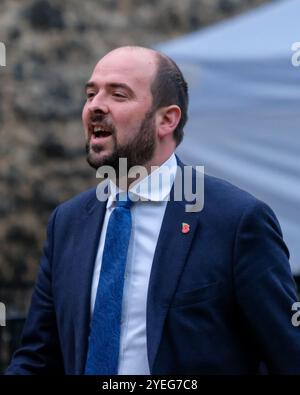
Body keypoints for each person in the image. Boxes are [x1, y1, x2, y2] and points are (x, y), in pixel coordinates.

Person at [6, 46, 300, 375]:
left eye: (118, 94)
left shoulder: (235, 221)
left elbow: (289, 355)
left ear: (166, 120)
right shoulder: (68, 223)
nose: (95, 106)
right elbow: (38, 358)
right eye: (91, 93)